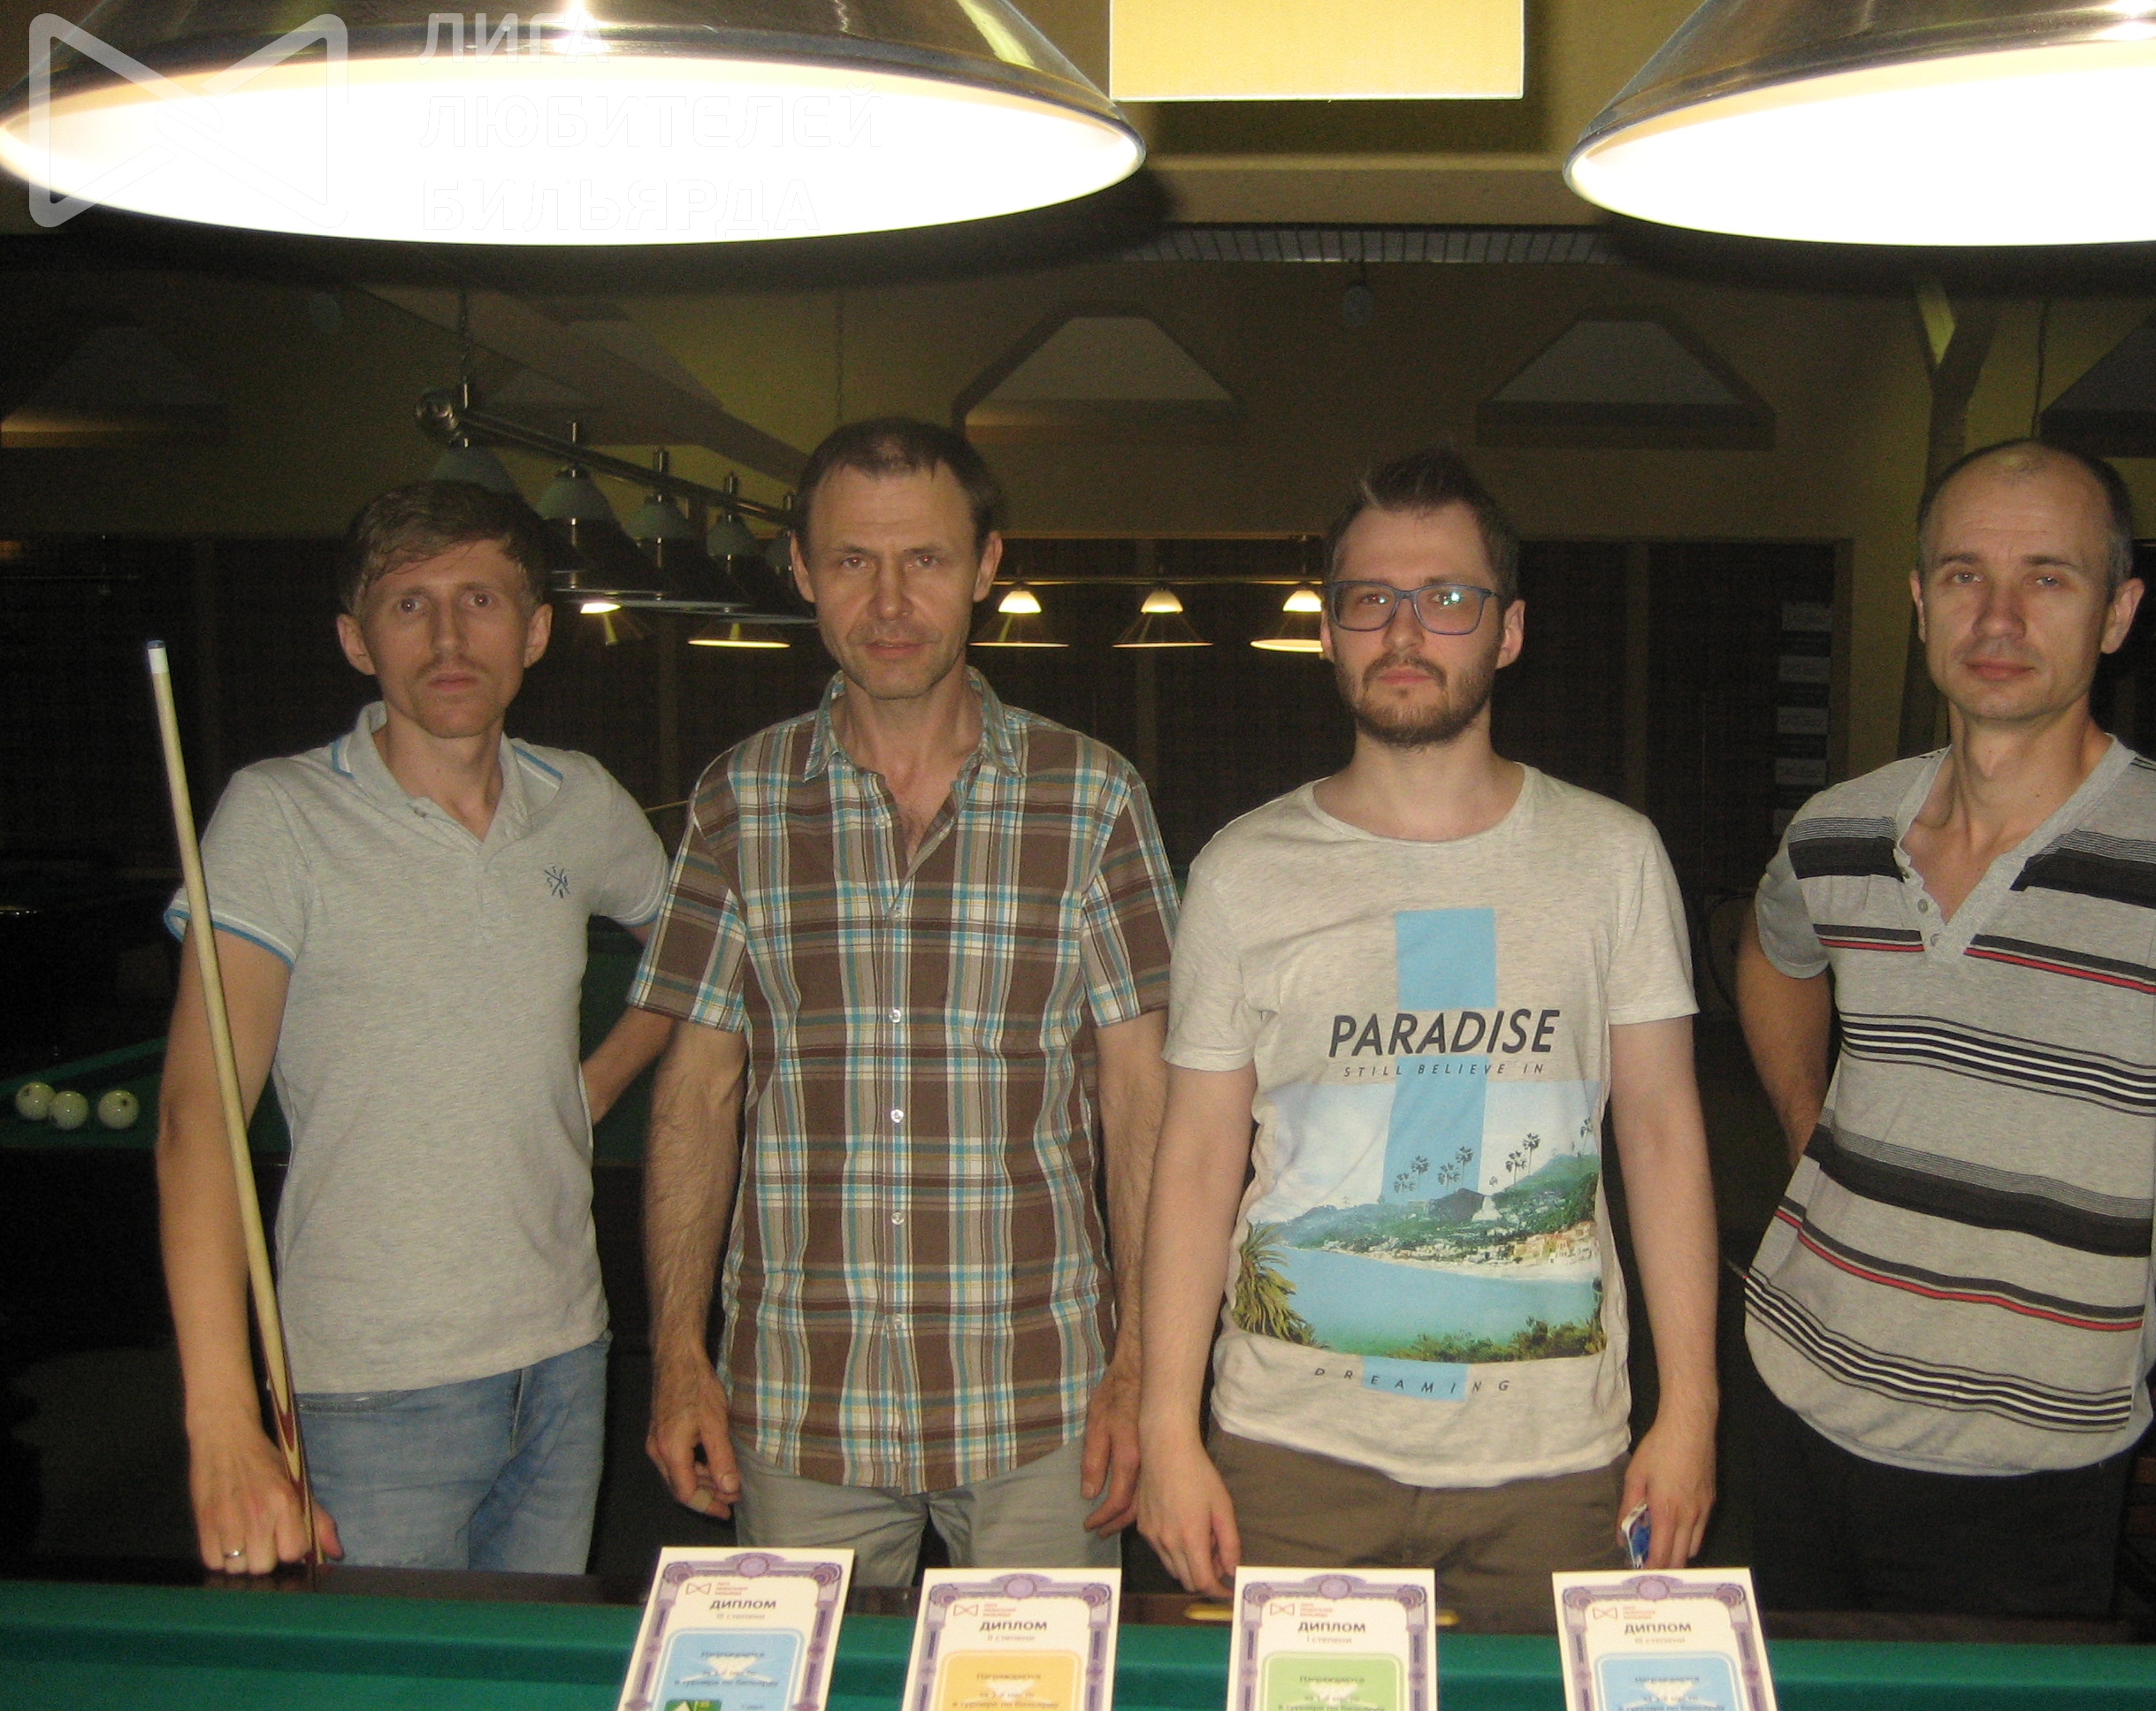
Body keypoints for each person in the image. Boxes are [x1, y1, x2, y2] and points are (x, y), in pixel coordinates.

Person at [1737, 439, 2156, 1711]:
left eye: (2048, 578)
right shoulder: (1836, 828)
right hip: (1789, 1398)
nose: (1999, 617)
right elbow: (1771, 955)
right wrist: (1808, 1128)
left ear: (2118, 613)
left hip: (2019, 1471)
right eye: (1963, 575)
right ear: (1919, 602)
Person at [1136, 447, 1719, 1633]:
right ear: (1328, 632)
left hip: (1552, 1461)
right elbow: (1193, 1162)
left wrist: (1693, 1412)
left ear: (1508, 631)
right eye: (1370, 599)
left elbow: (1662, 1139)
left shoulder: (1612, 858)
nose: (1405, 631)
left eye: (1448, 597)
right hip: (1291, 1456)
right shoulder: (1242, 870)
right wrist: (1164, 1428)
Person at [631, 417, 1178, 1585]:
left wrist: (1144, 1368)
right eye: (852, 561)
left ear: (985, 566)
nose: (888, 602)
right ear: (800, 572)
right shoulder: (738, 802)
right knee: (807, 1704)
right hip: (798, 1403)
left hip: (1043, 1402)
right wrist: (678, 1354)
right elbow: (695, 1096)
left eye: (924, 559)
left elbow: (1143, 1101)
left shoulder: (1093, 799)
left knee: (1034, 1703)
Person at [158, 480, 674, 1575]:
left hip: (566, 1356)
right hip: (368, 1389)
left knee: (523, 1674)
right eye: (408, 605)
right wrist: (223, 1423)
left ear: (534, 632)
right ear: (357, 641)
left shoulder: (580, 801)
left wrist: (600, 1078)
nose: (447, 637)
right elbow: (196, 1121)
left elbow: (696, 947)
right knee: (371, 1682)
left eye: (480, 600)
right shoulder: (278, 815)